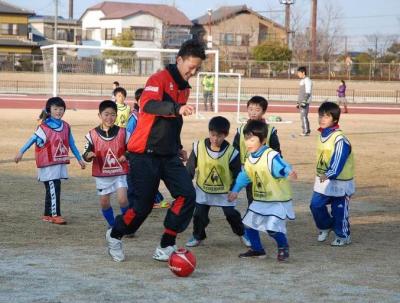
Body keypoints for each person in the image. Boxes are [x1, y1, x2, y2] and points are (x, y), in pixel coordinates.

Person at [105, 39, 206, 262]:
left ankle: (166, 244)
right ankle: (115, 235)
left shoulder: (184, 88)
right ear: (179, 60)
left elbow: (173, 122)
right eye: (191, 67)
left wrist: (177, 146)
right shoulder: (159, 79)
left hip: (168, 154)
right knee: (142, 207)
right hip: (144, 154)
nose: (194, 71)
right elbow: (148, 105)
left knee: (187, 195)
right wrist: (177, 107)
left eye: (198, 68)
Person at [228, 120, 297, 261]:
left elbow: (281, 165)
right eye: (246, 139)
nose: (248, 143)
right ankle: (257, 250)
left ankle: (283, 246)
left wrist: (288, 171)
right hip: (261, 199)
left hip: (277, 200)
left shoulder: (270, 155)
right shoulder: (249, 159)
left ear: (263, 140)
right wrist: (235, 190)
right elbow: (244, 176)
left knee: (272, 228)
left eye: (252, 139)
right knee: (248, 224)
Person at [14, 97, 85, 224]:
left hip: (58, 163)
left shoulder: (66, 126)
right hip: (48, 165)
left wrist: (79, 159)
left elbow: (72, 144)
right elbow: (32, 140)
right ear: (49, 110)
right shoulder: (44, 127)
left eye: (61, 109)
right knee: (54, 187)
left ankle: (47, 215)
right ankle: (55, 215)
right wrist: (21, 152)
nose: (58, 111)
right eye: (55, 109)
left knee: (52, 188)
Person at [185, 116, 251, 248]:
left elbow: (237, 174)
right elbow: (190, 168)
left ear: (225, 135)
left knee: (231, 215)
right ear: (209, 132)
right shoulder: (199, 147)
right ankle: (198, 236)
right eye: (213, 135)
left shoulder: (232, 153)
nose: (215, 139)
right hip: (203, 190)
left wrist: (234, 190)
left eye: (219, 136)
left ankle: (242, 233)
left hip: (224, 192)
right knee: (199, 215)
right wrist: (186, 185)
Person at [233, 96, 281, 240]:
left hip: (264, 173)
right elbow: (235, 151)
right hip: (247, 172)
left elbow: (277, 152)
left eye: (257, 109)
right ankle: (251, 231)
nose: (253, 112)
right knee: (252, 200)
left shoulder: (270, 130)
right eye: (250, 109)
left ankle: (266, 223)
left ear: (264, 111)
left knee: (263, 200)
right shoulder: (241, 129)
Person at [310, 101, 355, 246]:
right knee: (315, 205)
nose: (322, 119)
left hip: (339, 181)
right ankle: (325, 226)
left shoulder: (340, 139)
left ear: (335, 119)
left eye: (327, 116)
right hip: (323, 179)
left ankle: (343, 235)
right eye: (321, 115)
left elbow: (338, 160)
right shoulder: (321, 135)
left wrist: (329, 173)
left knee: (339, 210)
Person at [82, 100, 129, 228]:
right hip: (102, 174)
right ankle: (113, 225)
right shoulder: (92, 134)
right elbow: (85, 152)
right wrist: (88, 155)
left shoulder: (123, 132)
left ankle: (127, 225)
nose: (109, 117)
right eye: (106, 114)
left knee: (123, 199)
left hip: (120, 172)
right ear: (100, 115)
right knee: (104, 203)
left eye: (113, 114)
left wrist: (126, 155)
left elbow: (132, 148)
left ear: (117, 115)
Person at [126, 88, 170, 209]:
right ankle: (146, 201)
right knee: (137, 180)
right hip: (135, 154)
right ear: (138, 101)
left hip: (147, 153)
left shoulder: (150, 116)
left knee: (147, 178)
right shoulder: (134, 118)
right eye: (142, 99)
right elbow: (128, 137)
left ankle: (154, 199)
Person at [296, 66, 313, 136]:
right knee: (302, 116)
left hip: (305, 102)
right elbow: (301, 93)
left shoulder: (307, 80)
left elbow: (308, 92)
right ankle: (306, 130)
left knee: (303, 116)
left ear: (303, 72)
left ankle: (306, 131)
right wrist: (298, 102)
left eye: (299, 73)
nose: (298, 74)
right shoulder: (302, 81)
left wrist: (304, 101)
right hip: (301, 101)